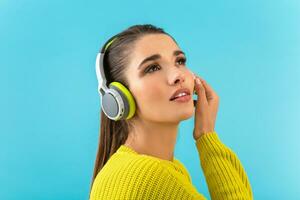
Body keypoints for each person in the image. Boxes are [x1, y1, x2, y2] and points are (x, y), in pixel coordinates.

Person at [89, 24, 253, 199]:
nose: (177, 75)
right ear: (119, 97)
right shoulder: (150, 176)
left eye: (180, 61)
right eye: (152, 68)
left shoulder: (141, 168)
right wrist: (207, 135)